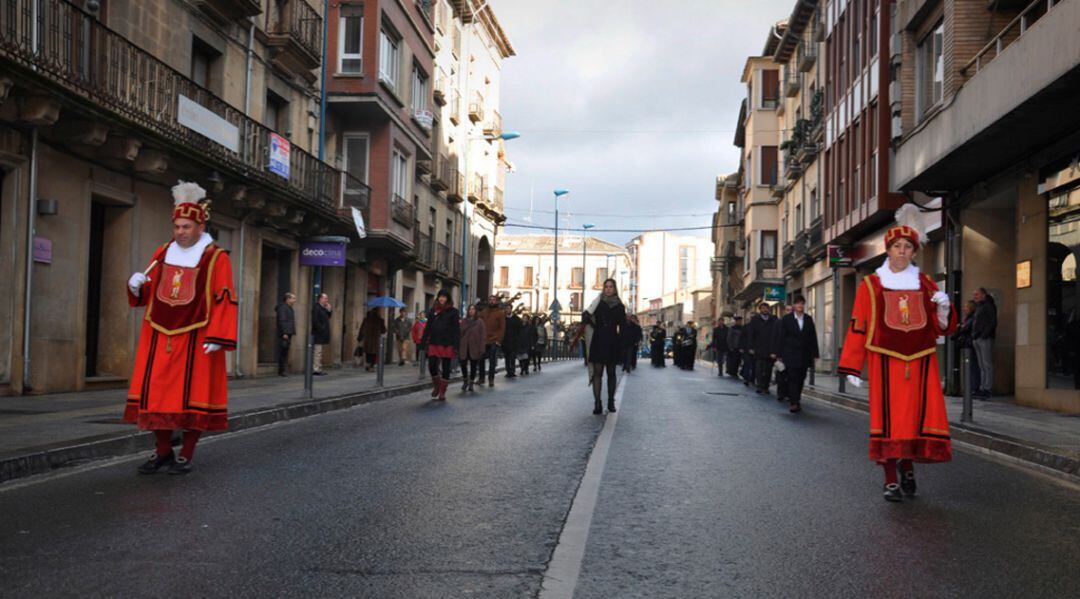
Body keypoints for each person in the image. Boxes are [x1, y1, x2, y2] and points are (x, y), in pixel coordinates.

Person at [838, 203, 957, 503]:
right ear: (888, 250)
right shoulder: (871, 284)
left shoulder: (925, 283)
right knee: (890, 422)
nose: (902, 251)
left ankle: (908, 467)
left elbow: (941, 328)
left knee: (914, 421)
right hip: (884, 362)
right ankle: (891, 477)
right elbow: (858, 325)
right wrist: (852, 366)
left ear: (914, 252)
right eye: (897, 246)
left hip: (920, 363)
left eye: (907, 247)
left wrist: (943, 308)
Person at [124, 181, 237, 475]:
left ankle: (186, 453)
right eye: (177, 227)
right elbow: (149, 293)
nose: (180, 232)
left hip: (198, 335)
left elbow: (224, 297)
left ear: (200, 227)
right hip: (159, 334)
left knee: (192, 398)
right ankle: (163, 452)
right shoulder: (162, 253)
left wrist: (219, 337)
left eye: (186, 227)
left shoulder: (216, 257)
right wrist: (135, 287)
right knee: (156, 396)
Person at [583, 279, 626, 414]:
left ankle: (610, 401)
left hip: (612, 342)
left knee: (611, 373)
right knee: (597, 374)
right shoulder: (597, 303)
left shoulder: (619, 306)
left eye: (611, 287)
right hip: (598, 340)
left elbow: (623, 326)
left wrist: (621, 343)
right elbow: (587, 316)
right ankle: (597, 403)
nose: (608, 289)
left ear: (614, 288)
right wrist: (590, 321)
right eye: (606, 286)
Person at [774, 295, 819, 413]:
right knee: (792, 378)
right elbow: (781, 337)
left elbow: (813, 337)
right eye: (798, 303)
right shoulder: (787, 319)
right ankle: (794, 402)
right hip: (790, 354)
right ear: (794, 305)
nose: (800, 305)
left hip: (804, 354)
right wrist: (779, 353)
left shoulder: (808, 319)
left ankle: (797, 399)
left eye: (802, 303)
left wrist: (815, 353)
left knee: (801, 378)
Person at [420, 289, 460, 401]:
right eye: (440, 296)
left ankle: (442, 391)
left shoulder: (453, 312)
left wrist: (456, 345)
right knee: (432, 365)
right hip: (434, 342)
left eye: (444, 296)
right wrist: (423, 342)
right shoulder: (433, 311)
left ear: (448, 298)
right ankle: (437, 386)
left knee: (446, 367)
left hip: (447, 343)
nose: (441, 298)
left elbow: (456, 330)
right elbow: (428, 327)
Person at [746, 302, 778, 394]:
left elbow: (777, 333)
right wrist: (750, 347)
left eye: (766, 308)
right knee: (759, 369)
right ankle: (759, 386)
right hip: (758, 348)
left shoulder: (774, 319)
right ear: (760, 310)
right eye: (763, 308)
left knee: (768, 369)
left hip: (770, 349)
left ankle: (766, 387)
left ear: (769, 309)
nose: (765, 310)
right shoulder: (755, 320)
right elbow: (751, 335)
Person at [972, 287, 997, 398]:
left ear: (983, 295)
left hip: (985, 338)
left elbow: (992, 322)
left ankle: (987, 388)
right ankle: (982, 387)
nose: (975, 297)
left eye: (977, 294)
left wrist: (984, 335)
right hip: (978, 337)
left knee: (987, 364)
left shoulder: (988, 306)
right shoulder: (979, 306)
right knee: (981, 365)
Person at [953, 300, 981, 396]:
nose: (964, 309)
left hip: (969, 345)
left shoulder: (972, 318)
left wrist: (960, 328)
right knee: (969, 366)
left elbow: (966, 328)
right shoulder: (967, 318)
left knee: (973, 366)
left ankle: (974, 387)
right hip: (966, 345)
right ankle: (970, 387)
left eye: (966, 307)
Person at [458, 303, 486, 392]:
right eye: (470, 309)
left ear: (476, 311)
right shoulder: (463, 321)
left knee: (473, 366)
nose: (471, 310)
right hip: (464, 346)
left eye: (473, 309)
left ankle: (471, 382)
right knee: (463, 364)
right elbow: (460, 333)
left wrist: (482, 348)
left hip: (475, 347)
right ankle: (465, 380)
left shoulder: (480, 322)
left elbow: (483, 336)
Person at [480, 295, 506, 387]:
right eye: (490, 299)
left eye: (493, 300)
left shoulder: (500, 313)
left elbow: (502, 328)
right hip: (483, 340)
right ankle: (481, 378)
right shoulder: (483, 312)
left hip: (494, 340)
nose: (491, 301)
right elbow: (480, 325)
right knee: (481, 360)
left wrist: (499, 340)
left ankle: (491, 379)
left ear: (496, 301)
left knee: (492, 361)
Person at [774, 305, 793, 401]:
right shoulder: (779, 322)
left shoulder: (796, 322)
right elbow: (776, 338)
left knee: (791, 375)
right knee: (781, 374)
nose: (789, 312)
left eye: (791, 310)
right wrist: (777, 353)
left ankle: (790, 394)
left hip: (793, 353)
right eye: (787, 310)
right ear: (784, 311)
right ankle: (781, 393)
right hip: (782, 353)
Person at [275, 292, 296, 376]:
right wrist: (284, 332)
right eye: (293, 298)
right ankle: (281, 370)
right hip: (285, 333)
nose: (294, 300)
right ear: (288, 299)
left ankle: (283, 370)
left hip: (288, 332)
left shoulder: (289, 308)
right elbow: (282, 320)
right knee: (283, 351)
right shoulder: (283, 308)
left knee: (285, 351)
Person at [311, 293, 332, 375]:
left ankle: (319, 368)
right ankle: (316, 369)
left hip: (322, 334)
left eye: (327, 298)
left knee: (319, 352)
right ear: (320, 299)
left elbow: (328, 317)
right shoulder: (316, 307)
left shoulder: (323, 308)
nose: (327, 300)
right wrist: (321, 329)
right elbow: (315, 321)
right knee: (317, 352)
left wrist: (329, 309)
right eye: (325, 298)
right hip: (318, 334)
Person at [502, 304, 522, 378]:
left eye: (509, 308)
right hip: (505, 341)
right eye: (506, 308)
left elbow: (519, 330)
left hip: (514, 341)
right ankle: (508, 371)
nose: (507, 310)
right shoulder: (503, 319)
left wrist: (518, 339)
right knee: (507, 357)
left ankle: (512, 370)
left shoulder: (516, 319)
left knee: (513, 357)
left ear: (511, 309)